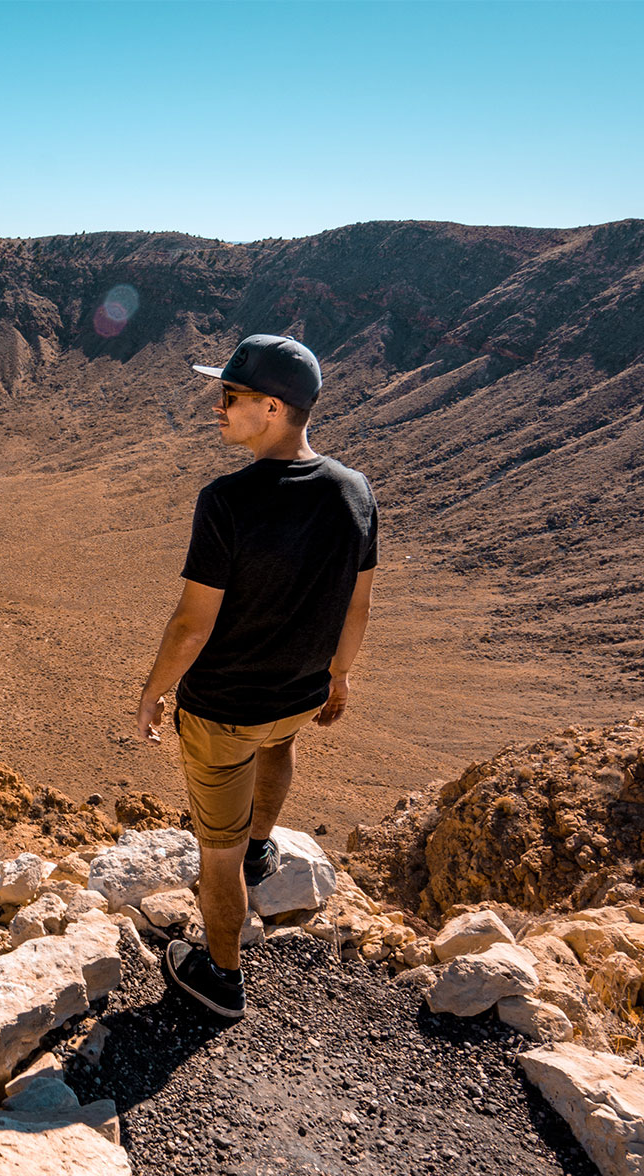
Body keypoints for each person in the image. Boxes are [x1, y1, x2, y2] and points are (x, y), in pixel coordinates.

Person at [134, 334, 377, 1019]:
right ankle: (262, 850)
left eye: (231, 397)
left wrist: (153, 692)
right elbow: (360, 603)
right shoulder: (354, 492)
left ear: (270, 408)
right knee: (279, 744)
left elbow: (191, 624)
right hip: (301, 695)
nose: (218, 408)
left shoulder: (227, 501)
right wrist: (340, 676)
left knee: (216, 851)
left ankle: (221, 978)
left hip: (222, 707)